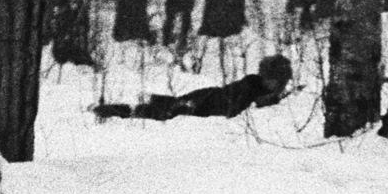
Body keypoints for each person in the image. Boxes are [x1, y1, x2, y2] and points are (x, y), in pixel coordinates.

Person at [93, 54, 292, 122]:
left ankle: (123, 108)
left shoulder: (257, 86)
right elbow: (235, 111)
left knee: (166, 108)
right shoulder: (250, 87)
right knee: (162, 114)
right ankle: (115, 110)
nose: (277, 85)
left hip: (205, 98)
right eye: (275, 80)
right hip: (202, 103)